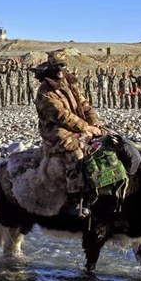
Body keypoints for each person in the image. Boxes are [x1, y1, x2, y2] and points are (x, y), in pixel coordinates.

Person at [35, 50, 104, 218]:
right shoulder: (45, 91)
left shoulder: (69, 82)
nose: (59, 70)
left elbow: (84, 104)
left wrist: (95, 123)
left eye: (62, 66)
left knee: (107, 144)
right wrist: (85, 127)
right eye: (55, 66)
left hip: (79, 126)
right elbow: (61, 115)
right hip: (57, 131)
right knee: (76, 154)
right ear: (49, 67)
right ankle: (75, 200)